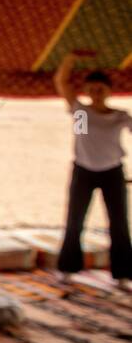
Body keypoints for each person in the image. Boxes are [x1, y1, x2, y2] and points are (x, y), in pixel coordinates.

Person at [53, 50, 131, 289]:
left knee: (119, 224)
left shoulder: (120, 116)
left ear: (109, 91)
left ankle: (123, 274)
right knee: (75, 220)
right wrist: (71, 58)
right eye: (92, 89)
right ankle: (67, 269)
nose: (96, 93)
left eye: (101, 89)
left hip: (112, 172)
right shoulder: (81, 113)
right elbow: (62, 82)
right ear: (86, 91)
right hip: (84, 171)